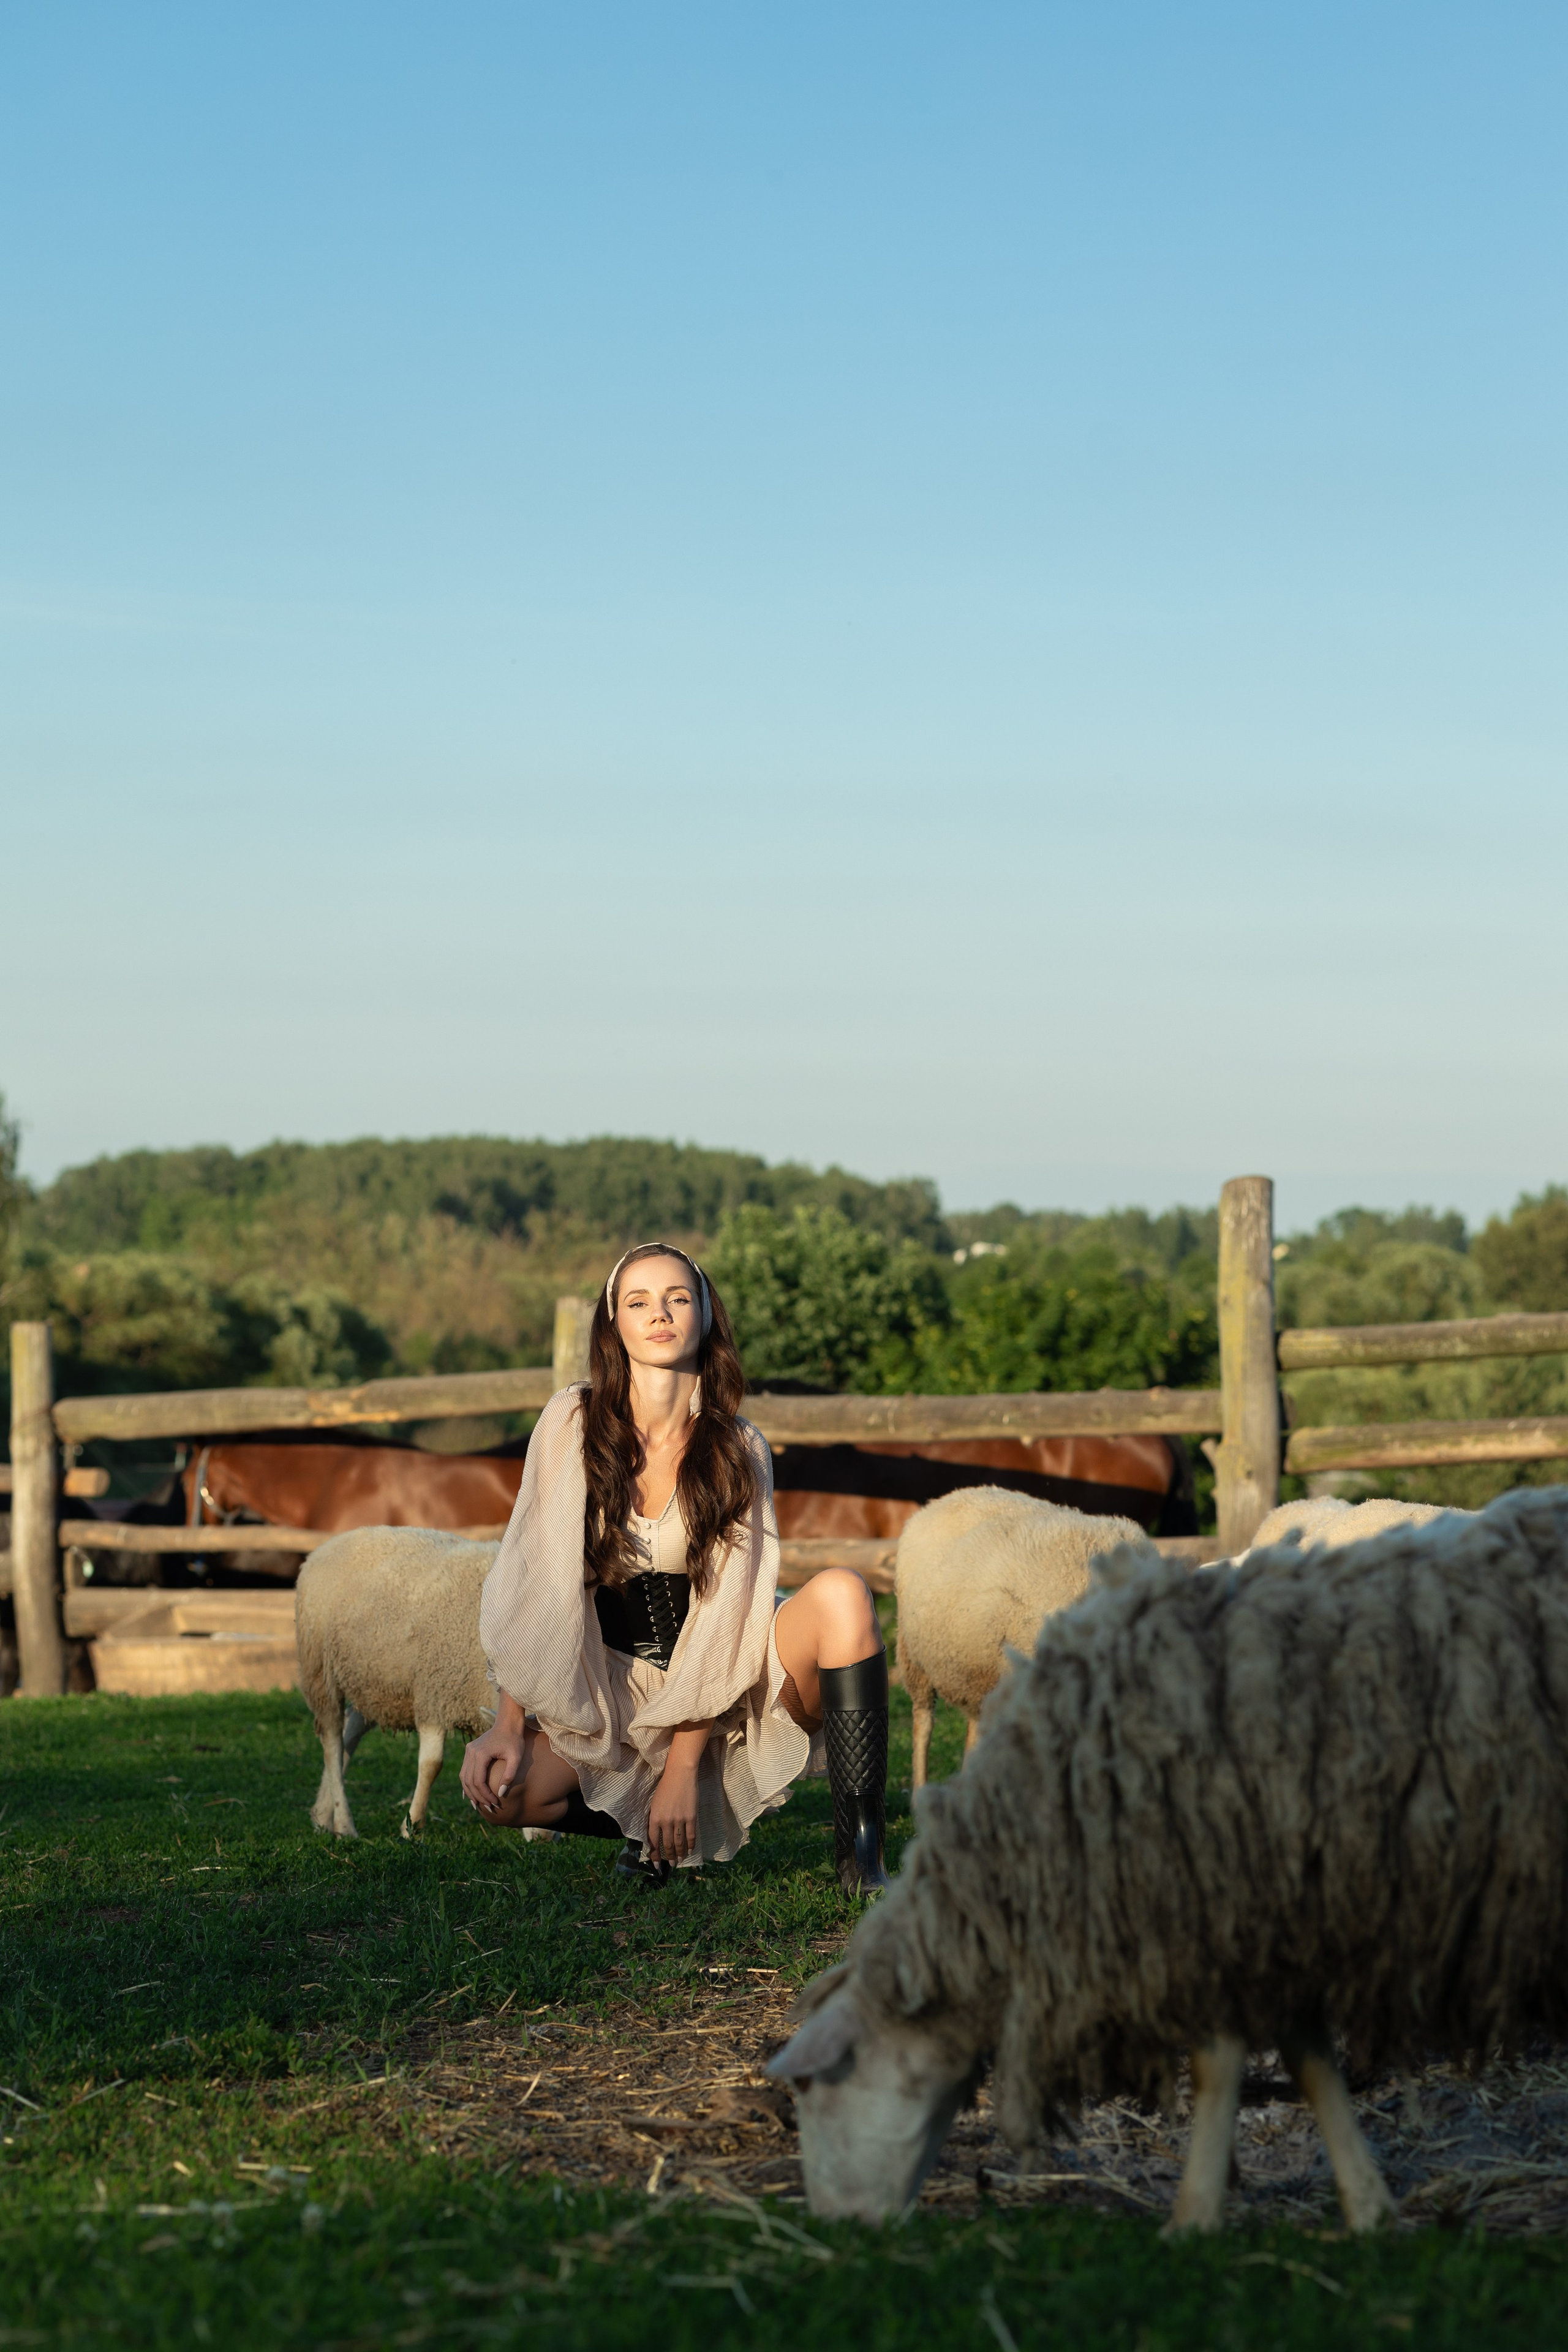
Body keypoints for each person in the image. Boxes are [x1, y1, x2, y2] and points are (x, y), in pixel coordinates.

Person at [457, 1243, 891, 1894]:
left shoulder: (737, 1446)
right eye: (639, 1301)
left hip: (723, 1682)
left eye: (678, 1298)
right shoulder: (570, 1422)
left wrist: (684, 1764)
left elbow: (728, 1615)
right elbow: (535, 1585)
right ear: (614, 1324)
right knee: (502, 1791)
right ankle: (642, 1828)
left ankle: (861, 1858)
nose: (659, 1314)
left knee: (843, 1596)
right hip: (615, 1689)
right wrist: (509, 1724)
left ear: (705, 1316)